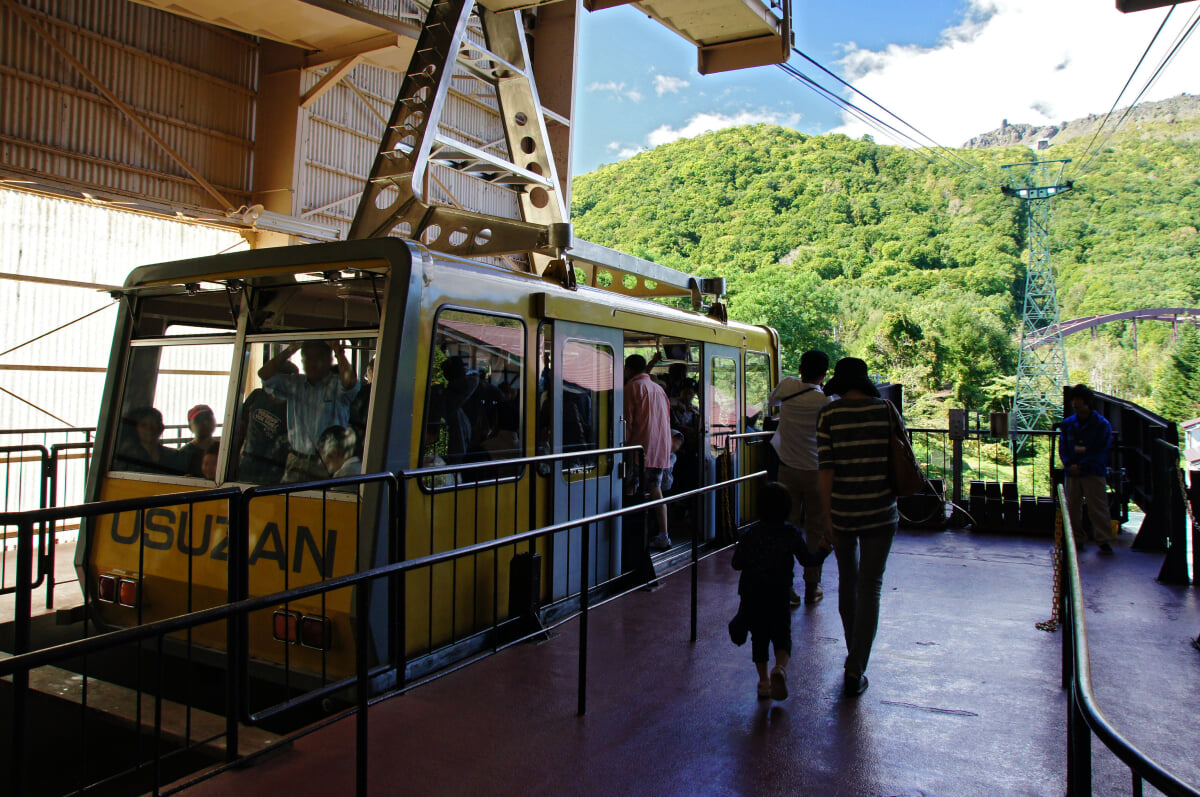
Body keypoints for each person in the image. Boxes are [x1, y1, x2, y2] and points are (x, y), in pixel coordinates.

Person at [816, 357, 898, 698]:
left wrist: (827, 516)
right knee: (871, 587)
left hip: (843, 510)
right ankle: (856, 666)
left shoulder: (829, 415)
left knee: (848, 584)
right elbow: (898, 456)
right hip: (880, 509)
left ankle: (854, 657)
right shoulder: (886, 410)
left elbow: (826, 470)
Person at [730, 482, 831, 701]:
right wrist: (824, 549)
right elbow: (808, 560)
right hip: (780, 594)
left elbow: (736, 564)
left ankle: (764, 682)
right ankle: (781, 669)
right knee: (782, 634)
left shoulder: (751, 534)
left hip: (753, 595)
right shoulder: (791, 533)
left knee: (760, 638)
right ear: (787, 508)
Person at [768, 350, 832, 608]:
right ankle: (812, 585)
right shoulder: (827, 400)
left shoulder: (788, 386)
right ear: (824, 374)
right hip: (817, 472)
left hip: (787, 470)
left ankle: (786, 587)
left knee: (786, 528)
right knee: (815, 529)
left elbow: (772, 401)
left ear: (801, 368)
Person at [259, 340, 359, 482]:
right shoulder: (295, 383)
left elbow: (350, 382)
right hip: (297, 459)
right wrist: (290, 350)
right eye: (307, 358)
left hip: (326, 462)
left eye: (317, 358)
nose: (311, 363)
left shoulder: (336, 385)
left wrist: (338, 351)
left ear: (328, 360)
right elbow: (264, 375)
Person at [624, 354, 674, 550]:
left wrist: (623, 445)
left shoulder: (632, 387)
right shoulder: (658, 389)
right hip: (660, 449)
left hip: (638, 450)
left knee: (631, 490)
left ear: (628, 369)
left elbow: (627, 421)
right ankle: (664, 535)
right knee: (656, 490)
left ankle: (631, 536)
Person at [1060, 384, 1115, 554]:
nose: (1075, 403)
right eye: (1073, 399)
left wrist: (1082, 465)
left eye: (1078, 399)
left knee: (1097, 507)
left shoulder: (1101, 425)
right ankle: (1076, 539)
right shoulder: (1068, 424)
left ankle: (1103, 540)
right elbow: (1063, 447)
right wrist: (1069, 464)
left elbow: (1101, 449)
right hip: (1072, 472)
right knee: (1073, 508)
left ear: (1087, 402)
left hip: (1093, 472)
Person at [234, 362, 295, 484]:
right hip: (249, 461)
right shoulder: (257, 395)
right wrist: (233, 458)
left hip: (276, 468)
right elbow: (240, 427)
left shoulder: (294, 405)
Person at [114, 406, 189, 475]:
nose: (149, 428)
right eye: (144, 425)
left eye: (154, 423)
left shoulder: (176, 456)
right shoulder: (125, 460)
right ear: (135, 429)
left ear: (161, 428)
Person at [180, 404, 220, 477]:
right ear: (190, 427)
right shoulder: (183, 454)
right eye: (199, 420)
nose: (205, 423)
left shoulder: (224, 449)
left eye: (208, 418)